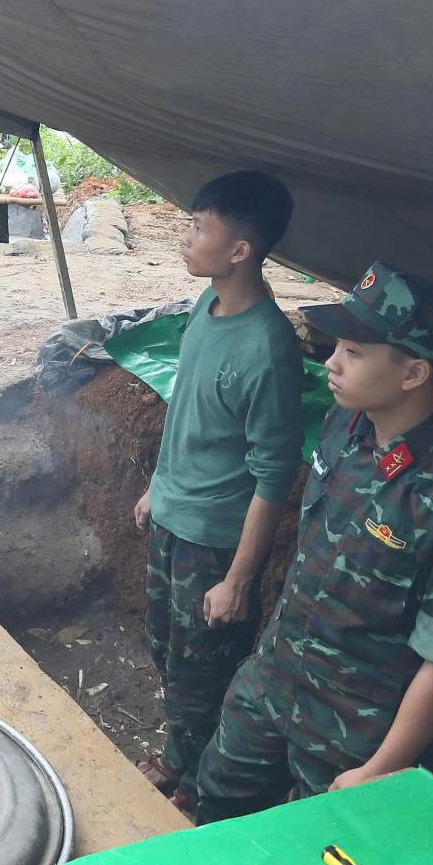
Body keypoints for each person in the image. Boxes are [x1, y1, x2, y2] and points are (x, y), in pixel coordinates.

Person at [192, 263, 433, 822]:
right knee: (219, 804)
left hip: (355, 729)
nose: (331, 363)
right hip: (274, 678)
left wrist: (380, 770)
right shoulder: (346, 426)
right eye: (336, 346)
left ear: (414, 372)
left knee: (314, 848)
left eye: (354, 351)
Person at [131, 171, 302, 811]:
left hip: (214, 544)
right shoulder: (207, 306)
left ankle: (200, 787)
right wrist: (158, 485)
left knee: (205, 672)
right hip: (173, 518)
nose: (185, 237)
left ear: (240, 251)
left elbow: (275, 473)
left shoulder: (268, 347)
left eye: (199, 227)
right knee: (166, 649)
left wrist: (236, 580)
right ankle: (181, 757)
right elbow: (188, 410)